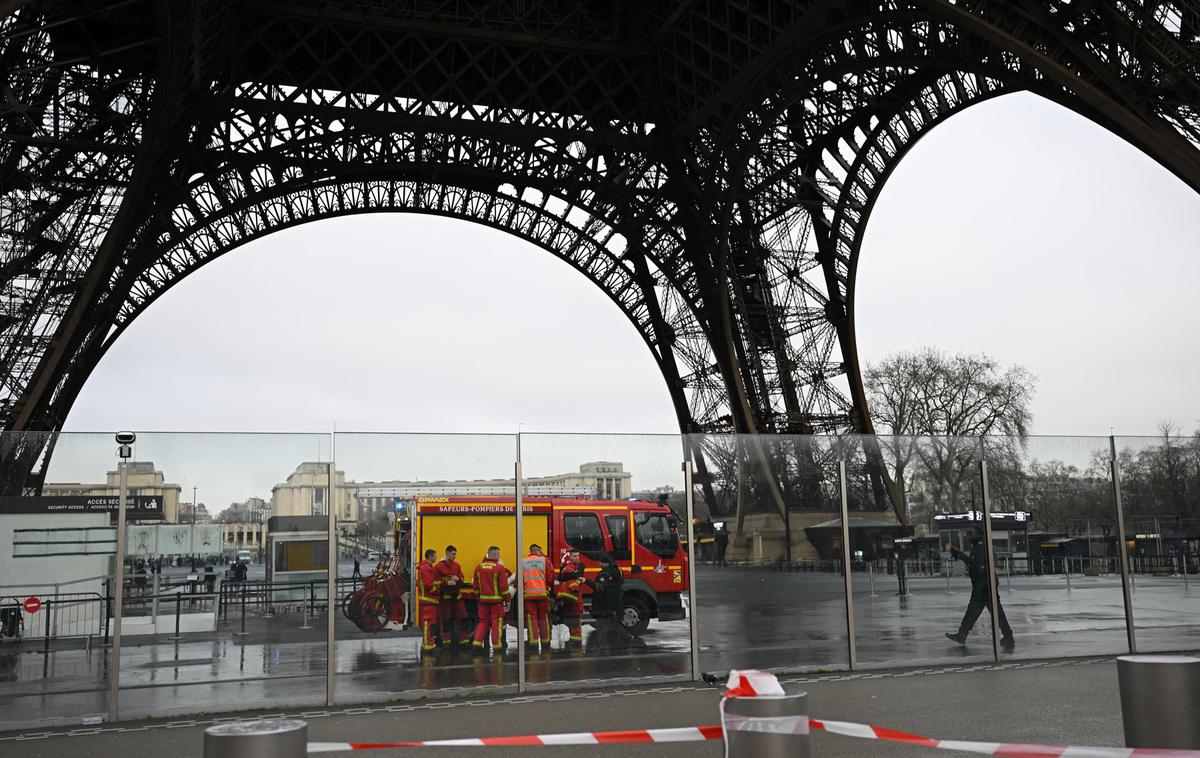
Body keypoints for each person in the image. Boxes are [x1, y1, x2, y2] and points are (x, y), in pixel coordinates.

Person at [946, 527, 1014, 650]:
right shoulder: (979, 546)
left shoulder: (982, 546)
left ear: (978, 535)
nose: (967, 536)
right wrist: (959, 554)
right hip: (982, 584)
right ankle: (963, 634)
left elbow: (976, 562)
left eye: (970, 533)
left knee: (988, 611)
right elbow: (975, 562)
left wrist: (960, 555)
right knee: (978, 611)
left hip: (984, 584)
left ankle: (963, 634)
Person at [472, 546, 511, 655]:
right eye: (498, 554)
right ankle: (497, 645)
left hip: (483, 601)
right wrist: (507, 599)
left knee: (482, 622)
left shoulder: (478, 567)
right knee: (496, 623)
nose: (499, 555)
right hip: (496, 602)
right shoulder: (499, 568)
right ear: (494, 554)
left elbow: (475, 586)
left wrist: (478, 598)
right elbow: (503, 587)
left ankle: (477, 643)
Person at [434, 545, 471, 648]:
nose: (455, 556)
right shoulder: (439, 567)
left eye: (455, 554)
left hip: (457, 598)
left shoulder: (457, 566)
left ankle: (463, 640)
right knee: (446, 620)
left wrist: (457, 579)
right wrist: (445, 583)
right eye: (453, 554)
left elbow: (462, 579)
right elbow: (434, 581)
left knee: (463, 618)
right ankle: (446, 641)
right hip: (445, 599)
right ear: (447, 553)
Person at [521, 544, 553, 651]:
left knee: (532, 620)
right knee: (543, 619)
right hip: (542, 595)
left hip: (528, 596)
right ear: (538, 550)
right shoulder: (545, 561)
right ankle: (545, 642)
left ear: (530, 551)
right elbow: (550, 578)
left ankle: (533, 643)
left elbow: (519, 580)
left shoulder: (523, 562)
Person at [591, 552, 627, 642]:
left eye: (601, 562)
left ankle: (601, 645)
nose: (599, 564)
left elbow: (599, 587)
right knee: (613, 622)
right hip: (615, 603)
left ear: (606, 563)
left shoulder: (605, 573)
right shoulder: (618, 571)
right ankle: (625, 637)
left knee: (601, 625)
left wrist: (586, 581)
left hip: (604, 604)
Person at [554, 548, 586, 649]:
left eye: (578, 556)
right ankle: (573, 639)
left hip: (576, 598)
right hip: (569, 599)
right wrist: (570, 574)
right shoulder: (567, 567)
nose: (577, 558)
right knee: (572, 621)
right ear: (570, 557)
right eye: (575, 556)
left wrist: (567, 573)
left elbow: (575, 575)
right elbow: (560, 578)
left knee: (576, 622)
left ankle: (576, 642)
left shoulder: (580, 566)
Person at [415, 549, 441, 654]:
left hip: (429, 601)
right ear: (430, 556)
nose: (436, 558)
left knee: (430, 624)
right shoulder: (426, 568)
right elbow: (428, 584)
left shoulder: (427, 567)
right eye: (435, 556)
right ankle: (428, 646)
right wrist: (438, 591)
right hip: (428, 600)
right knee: (428, 624)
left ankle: (429, 643)